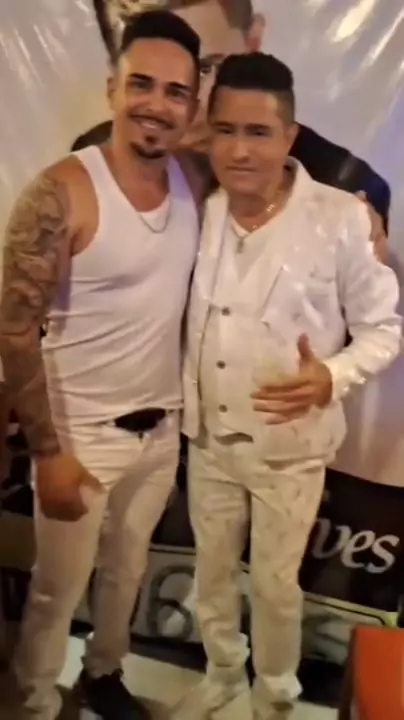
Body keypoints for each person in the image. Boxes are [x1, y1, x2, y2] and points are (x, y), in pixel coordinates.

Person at [179, 53, 401, 720]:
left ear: (290, 136)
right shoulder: (197, 208)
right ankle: (222, 673)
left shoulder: (340, 218)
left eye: (258, 132)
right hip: (209, 437)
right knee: (212, 571)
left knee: (276, 586)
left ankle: (274, 693)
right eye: (225, 130)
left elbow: (385, 330)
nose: (239, 150)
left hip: (291, 446)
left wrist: (331, 375)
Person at [0, 10, 203, 720]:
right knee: (56, 592)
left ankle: (105, 675)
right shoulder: (61, 191)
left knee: (126, 573)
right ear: (113, 87)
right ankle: (32, 702)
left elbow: (271, 169)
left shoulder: (192, 181)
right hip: (79, 438)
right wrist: (48, 453)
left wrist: (359, 212)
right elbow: (13, 330)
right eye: (141, 83)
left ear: (192, 106)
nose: (157, 104)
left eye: (175, 91)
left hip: (160, 430)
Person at [76, 0, 390, 260]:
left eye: (206, 68)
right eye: (146, 77)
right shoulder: (93, 162)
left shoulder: (340, 185)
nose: (184, 101)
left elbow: (371, 310)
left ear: (253, 43)